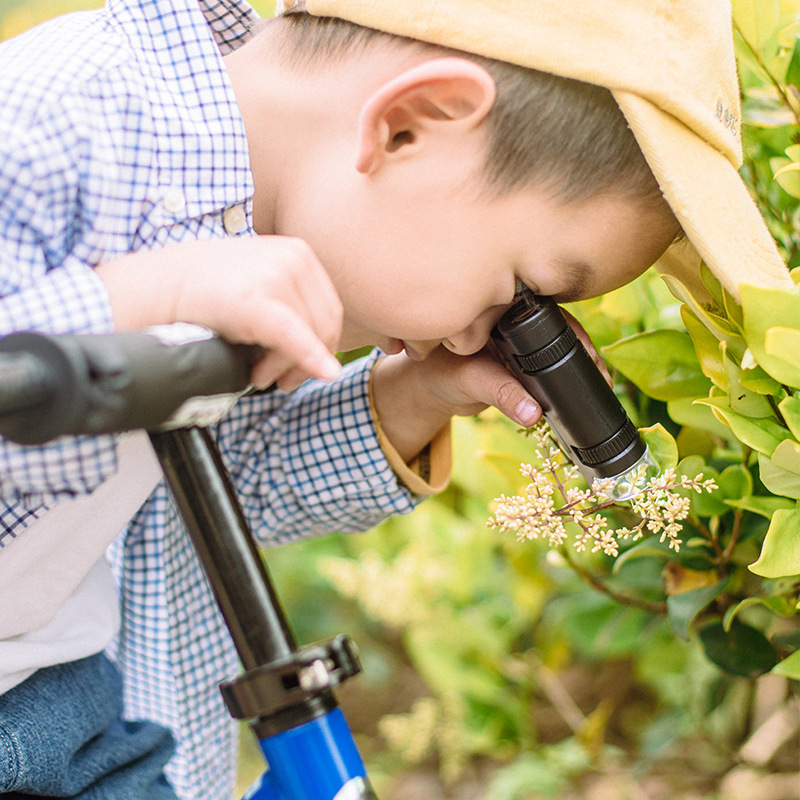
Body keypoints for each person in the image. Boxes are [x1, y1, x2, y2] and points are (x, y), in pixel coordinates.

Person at [0, 0, 791, 798]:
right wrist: (140, 301)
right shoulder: (47, 129)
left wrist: (419, 394)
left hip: (75, 712)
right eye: (519, 296)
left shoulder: (242, 208)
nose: (475, 337)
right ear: (410, 125)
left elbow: (195, 492)